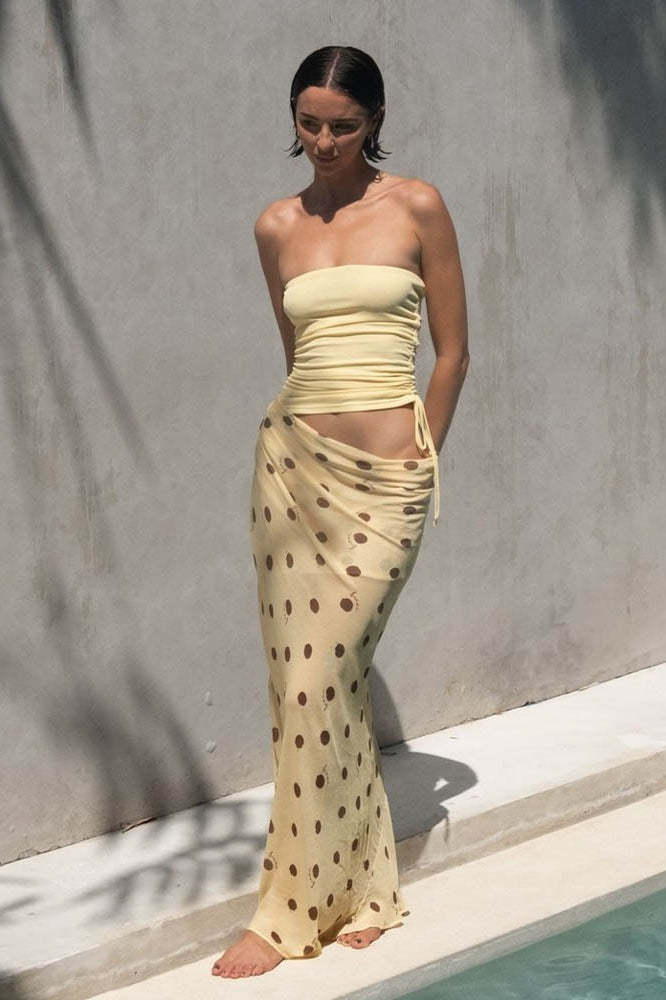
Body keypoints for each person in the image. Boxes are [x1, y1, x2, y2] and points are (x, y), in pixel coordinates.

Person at [212, 44, 469, 980]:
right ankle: (358, 889)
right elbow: (298, 353)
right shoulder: (276, 225)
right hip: (293, 472)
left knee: (321, 681)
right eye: (309, 122)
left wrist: (421, 452)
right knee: (312, 687)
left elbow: (452, 352)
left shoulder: (417, 206)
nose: (324, 141)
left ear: (375, 121)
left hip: (387, 480)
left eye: (344, 126)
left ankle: (288, 911)